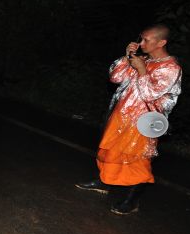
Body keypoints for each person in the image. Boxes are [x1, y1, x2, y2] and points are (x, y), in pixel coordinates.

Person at [76, 23, 182, 215]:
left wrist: (142, 70)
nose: (140, 43)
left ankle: (132, 200)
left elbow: (151, 95)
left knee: (137, 160)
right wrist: (127, 57)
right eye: (140, 38)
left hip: (143, 122)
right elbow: (115, 78)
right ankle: (104, 181)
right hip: (121, 116)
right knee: (109, 151)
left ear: (161, 42)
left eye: (146, 40)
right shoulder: (144, 59)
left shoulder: (171, 68)